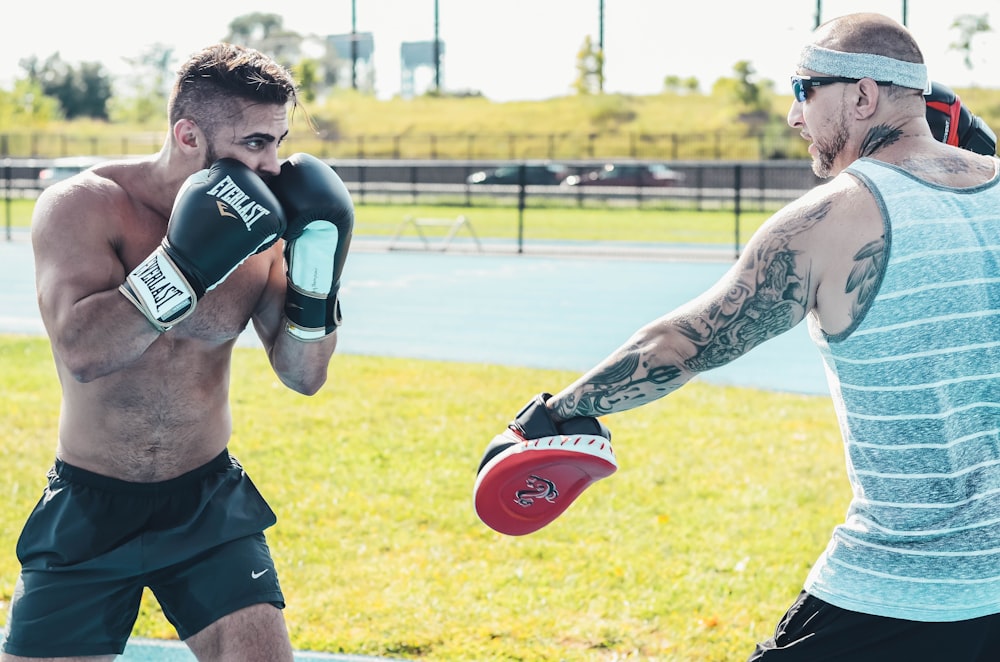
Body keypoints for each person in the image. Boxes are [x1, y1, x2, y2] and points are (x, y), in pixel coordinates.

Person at [478, 12, 1000, 661]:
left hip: (894, 594)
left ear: (863, 95)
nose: (793, 114)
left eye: (805, 89)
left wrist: (558, 413)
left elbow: (679, 345)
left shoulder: (833, 217)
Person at [2, 43, 353, 661]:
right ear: (188, 134)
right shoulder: (84, 206)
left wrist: (317, 282)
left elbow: (302, 376)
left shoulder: (264, 227)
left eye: (278, 140)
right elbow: (84, 351)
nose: (273, 165)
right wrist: (184, 266)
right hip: (91, 502)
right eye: (253, 142)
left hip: (206, 503)